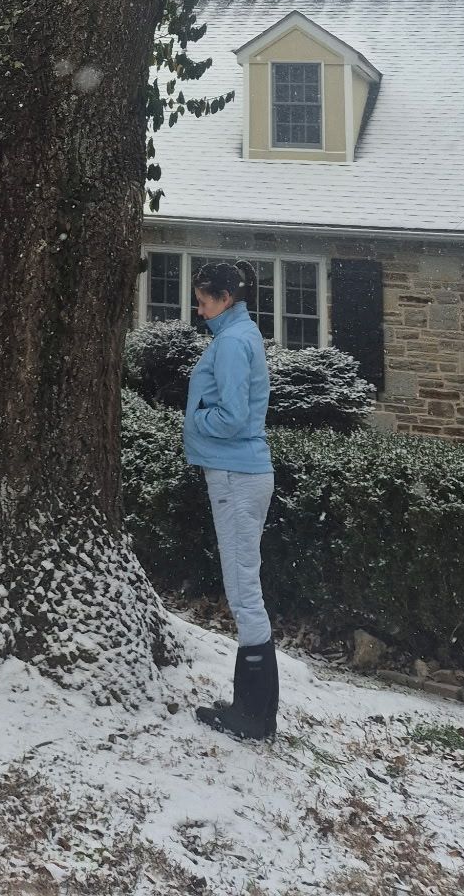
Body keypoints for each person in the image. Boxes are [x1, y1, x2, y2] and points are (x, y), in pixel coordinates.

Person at [183, 260, 278, 742]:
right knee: (245, 589)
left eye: (203, 298)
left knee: (243, 593)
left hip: (236, 475)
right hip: (238, 472)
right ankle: (255, 710)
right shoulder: (237, 335)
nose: (198, 308)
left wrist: (195, 422)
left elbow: (233, 416)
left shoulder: (234, 342)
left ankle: (253, 715)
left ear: (226, 298)